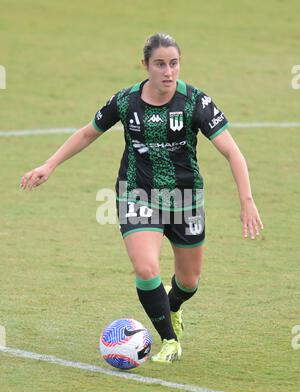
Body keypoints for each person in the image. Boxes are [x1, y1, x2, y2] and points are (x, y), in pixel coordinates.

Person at [21, 33, 264, 364]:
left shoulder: (195, 102)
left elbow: (232, 152)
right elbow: (87, 133)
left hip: (185, 199)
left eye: (174, 64)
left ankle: (173, 305)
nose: (168, 71)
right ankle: (169, 339)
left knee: (189, 282)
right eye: (160, 64)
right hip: (138, 193)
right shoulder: (126, 101)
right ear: (146, 66)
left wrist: (246, 200)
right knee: (146, 268)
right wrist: (49, 164)